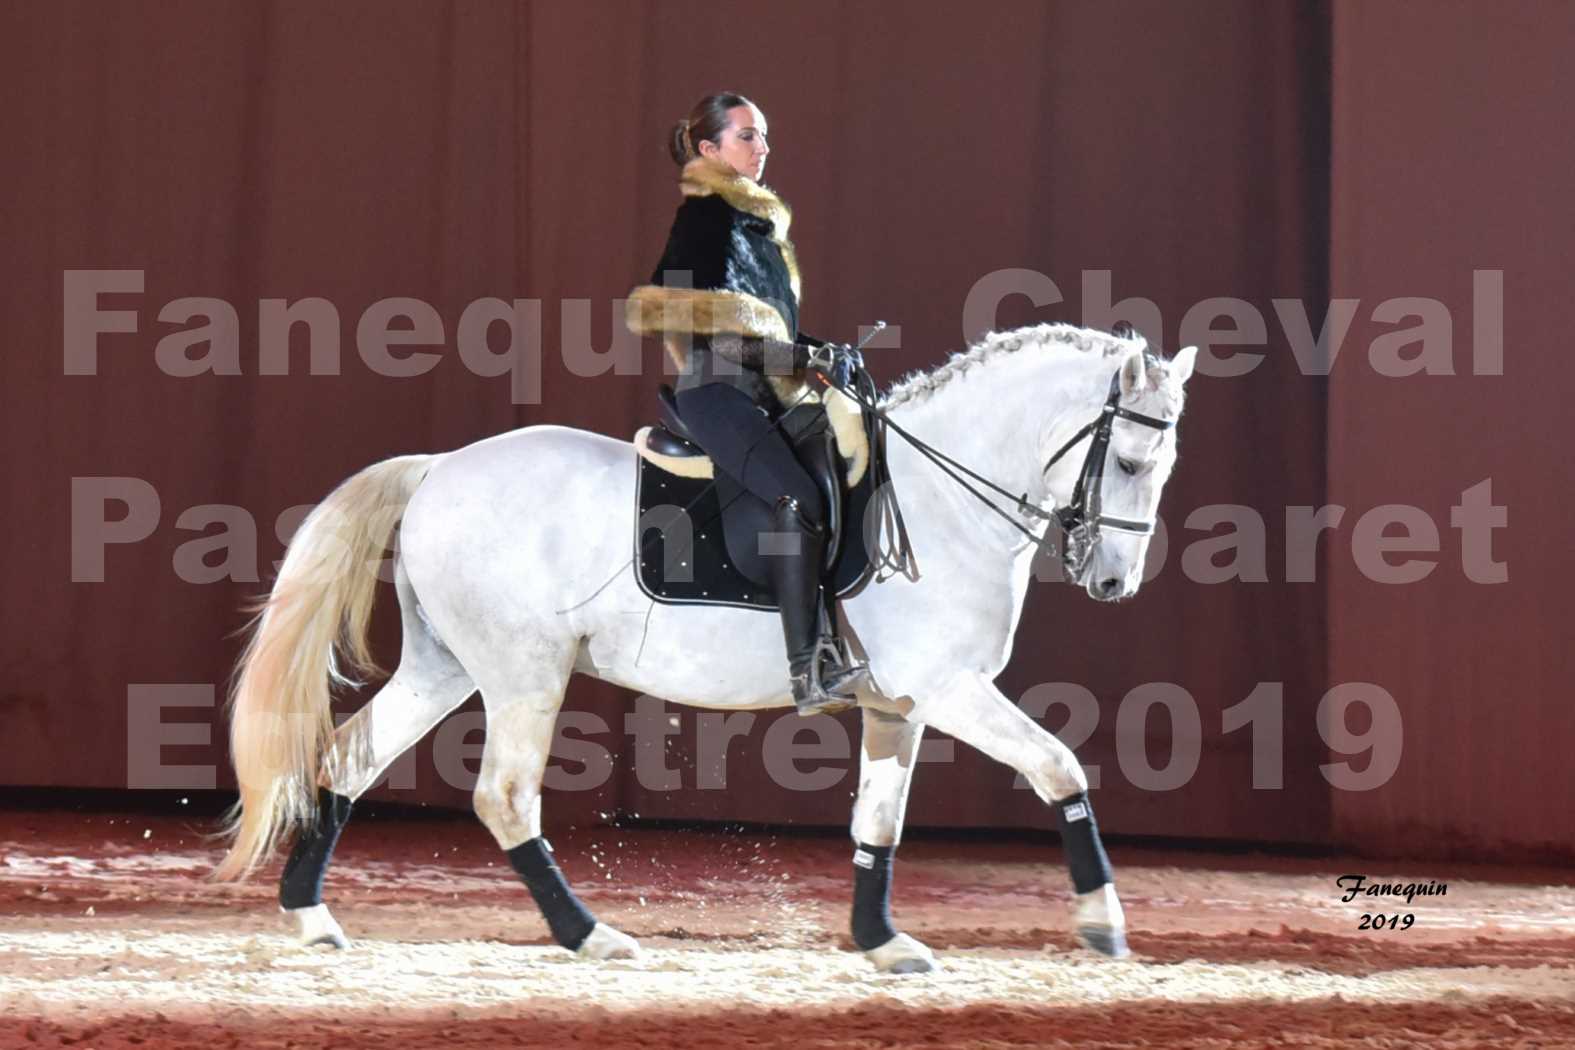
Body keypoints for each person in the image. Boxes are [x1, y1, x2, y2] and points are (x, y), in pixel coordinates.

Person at [626, 91, 868, 717]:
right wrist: (801, 361)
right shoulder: (705, 218)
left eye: (763, 137)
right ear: (709, 149)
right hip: (717, 391)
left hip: (764, 388)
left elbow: (770, 334)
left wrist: (818, 353)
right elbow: (718, 332)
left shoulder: (758, 225)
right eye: (747, 137)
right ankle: (808, 668)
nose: (763, 149)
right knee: (797, 496)